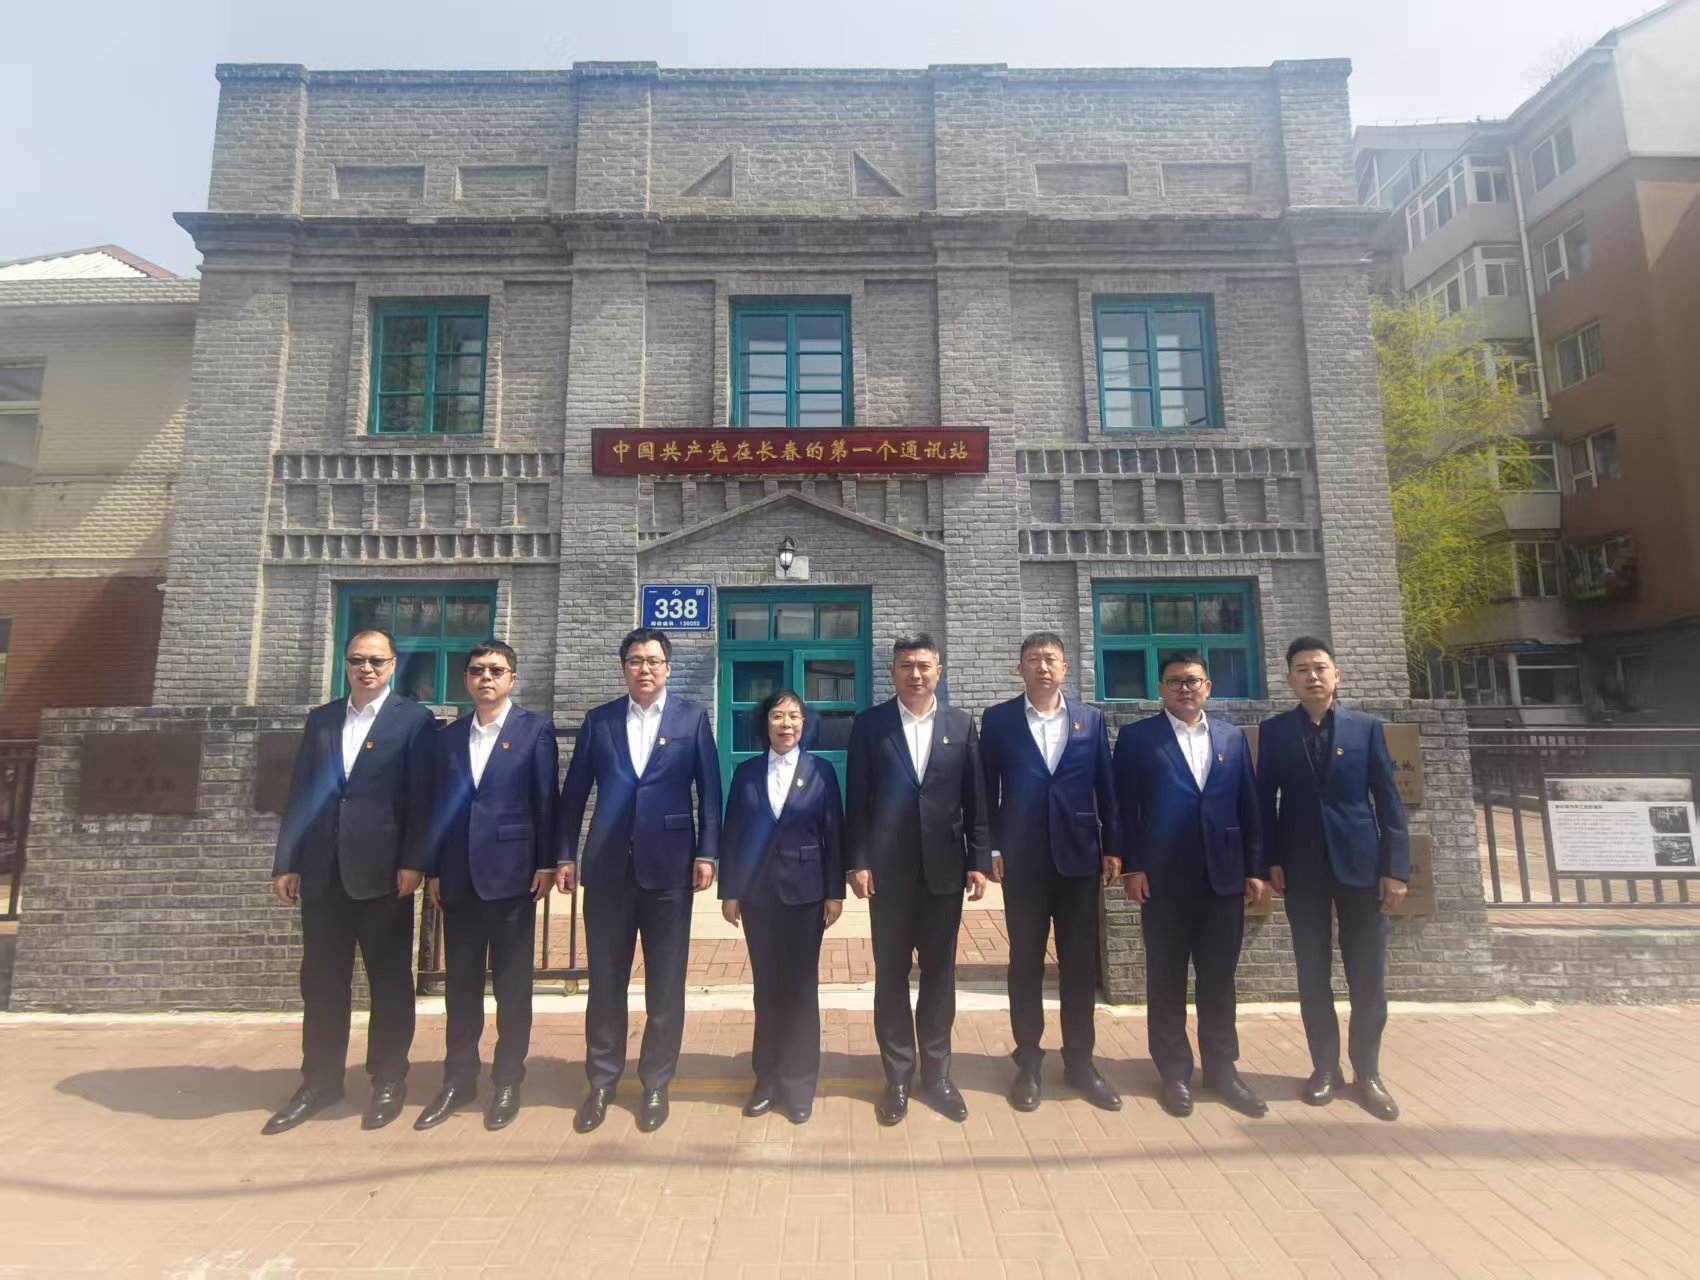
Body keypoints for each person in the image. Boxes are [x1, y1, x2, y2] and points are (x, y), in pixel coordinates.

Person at [263, 628, 437, 1136]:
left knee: (390, 983)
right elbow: (302, 793)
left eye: (377, 661)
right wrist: (287, 860)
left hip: (383, 874)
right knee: (321, 984)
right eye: (358, 659)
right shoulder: (322, 720)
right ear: (345, 663)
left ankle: (388, 1080)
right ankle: (319, 1082)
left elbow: (422, 798)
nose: (367, 668)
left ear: (393, 665)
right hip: (322, 873)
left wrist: (415, 862)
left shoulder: (414, 720)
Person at [556, 628, 722, 1134]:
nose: (644, 669)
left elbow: (710, 792)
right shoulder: (600, 721)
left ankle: (655, 1082)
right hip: (607, 868)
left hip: (670, 868)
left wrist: (708, 852)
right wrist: (563, 855)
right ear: (623, 667)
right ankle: (602, 1081)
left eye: (653, 661)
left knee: (665, 982)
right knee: (606, 981)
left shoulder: (691, 719)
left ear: (668, 668)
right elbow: (574, 793)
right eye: (635, 660)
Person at [1258, 636, 1409, 1122]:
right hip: (1301, 868)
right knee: (1312, 971)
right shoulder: (1275, 732)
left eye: (1320, 667)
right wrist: (1270, 859)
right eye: (1302, 669)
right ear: (1289, 679)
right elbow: (1264, 802)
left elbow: (1389, 802)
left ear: (1336, 675)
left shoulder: (1366, 728)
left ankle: (1368, 1073)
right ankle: (1325, 1067)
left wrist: (1394, 869)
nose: (1313, 676)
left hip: (1361, 868)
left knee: (1367, 975)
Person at [411, 640, 558, 1132]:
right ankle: (458, 1080)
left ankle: (508, 1080)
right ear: (467, 679)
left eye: (496, 670)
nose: (486, 678)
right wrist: (434, 870)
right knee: (461, 987)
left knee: (512, 989)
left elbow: (546, 801)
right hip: (458, 879)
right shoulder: (449, 738)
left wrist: (546, 863)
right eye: (477, 670)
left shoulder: (534, 730)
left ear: (512, 677)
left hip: (513, 877)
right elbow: (437, 807)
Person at [1113, 652, 1267, 1119]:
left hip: (1223, 877)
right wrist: (1132, 867)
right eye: (1175, 681)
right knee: (1166, 978)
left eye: (1193, 680)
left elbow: (1249, 805)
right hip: (1162, 879)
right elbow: (1124, 809)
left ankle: (1222, 1071)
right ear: (1160, 688)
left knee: (1219, 979)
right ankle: (1175, 1073)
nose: (1185, 688)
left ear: (1208, 686)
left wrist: (1254, 867)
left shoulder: (1231, 737)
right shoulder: (1138, 739)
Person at [845, 632, 991, 1125]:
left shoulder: (960, 725)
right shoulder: (870, 726)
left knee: (939, 976)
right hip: (887, 875)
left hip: (945, 872)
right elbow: (857, 800)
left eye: (924, 666)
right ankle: (898, 1077)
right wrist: (857, 861)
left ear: (938, 672)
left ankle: (938, 1075)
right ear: (892, 672)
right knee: (890, 977)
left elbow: (975, 798)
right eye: (906, 666)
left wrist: (978, 858)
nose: (915, 674)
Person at [980, 631, 1122, 1113]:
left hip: (1079, 858)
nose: (1043, 667)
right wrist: (991, 846)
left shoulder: (1090, 720)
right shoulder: (999, 720)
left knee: (1079, 964)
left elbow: (1107, 786)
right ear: (1020, 668)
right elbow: (986, 788)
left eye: (1051, 659)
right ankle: (1029, 1062)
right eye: (1034, 659)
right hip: (1022, 859)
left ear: (1065, 667)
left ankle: (1080, 1061)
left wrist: (1113, 846)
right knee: (1025, 963)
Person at [717, 689, 845, 1125]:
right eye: (777, 716)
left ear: (804, 725)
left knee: (800, 989)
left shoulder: (821, 771)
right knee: (767, 989)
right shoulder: (747, 772)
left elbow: (834, 832)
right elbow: (733, 832)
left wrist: (834, 892)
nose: (785, 724)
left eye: (793, 716)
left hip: (806, 894)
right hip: (757, 896)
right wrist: (730, 890)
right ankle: (766, 1080)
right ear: (765, 723)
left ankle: (799, 1083)